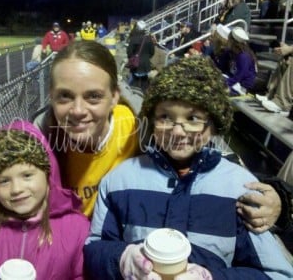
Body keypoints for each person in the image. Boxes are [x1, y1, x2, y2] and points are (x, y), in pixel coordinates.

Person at [84, 56, 293, 280]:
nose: (177, 131)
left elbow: (277, 273)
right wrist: (123, 259)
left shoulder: (239, 188)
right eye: (165, 117)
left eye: (193, 118)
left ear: (213, 124)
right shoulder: (119, 181)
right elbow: (95, 248)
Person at [0, 40, 140, 264]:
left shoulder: (136, 125)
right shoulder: (40, 138)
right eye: (65, 96)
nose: (78, 111)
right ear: (51, 96)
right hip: (62, 253)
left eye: (93, 96)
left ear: (114, 96)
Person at [0, 120, 90, 279]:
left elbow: (83, 274)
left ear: (48, 175)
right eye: (4, 181)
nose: (16, 189)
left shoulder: (77, 227)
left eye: (27, 176)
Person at [224, 26, 257, 95]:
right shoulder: (232, 52)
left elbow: (239, 76)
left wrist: (226, 83)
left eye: (228, 39)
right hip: (235, 82)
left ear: (233, 41)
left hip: (243, 87)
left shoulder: (243, 56)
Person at [126, 20, 155, 91]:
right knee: (145, 83)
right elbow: (152, 52)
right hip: (146, 64)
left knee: (134, 83)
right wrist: (146, 58)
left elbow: (129, 52)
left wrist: (132, 58)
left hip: (136, 65)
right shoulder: (149, 39)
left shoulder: (133, 39)